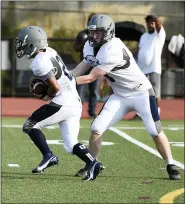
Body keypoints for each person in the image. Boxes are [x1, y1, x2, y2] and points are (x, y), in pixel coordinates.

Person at [72, 14, 181, 180]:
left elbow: (91, 77)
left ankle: (170, 164)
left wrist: (64, 83)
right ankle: (92, 163)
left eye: (98, 32)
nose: (94, 36)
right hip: (120, 95)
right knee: (96, 128)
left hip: (141, 93)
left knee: (154, 131)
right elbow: (84, 65)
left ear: (108, 32)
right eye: (92, 32)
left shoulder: (112, 48)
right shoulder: (90, 45)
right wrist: (65, 77)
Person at [14, 25, 102, 181]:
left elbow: (54, 86)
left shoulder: (38, 62)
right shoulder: (50, 51)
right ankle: (92, 162)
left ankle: (49, 156)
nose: (20, 45)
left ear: (33, 43)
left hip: (62, 102)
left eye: (23, 42)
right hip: (74, 102)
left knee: (30, 125)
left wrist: (46, 96)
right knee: (70, 145)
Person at [137, 14, 166, 117]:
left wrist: (155, 18)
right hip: (142, 70)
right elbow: (141, 50)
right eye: (148, 23)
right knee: (141, 92)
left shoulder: (159, 35)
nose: (150, 25)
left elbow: (159, 25)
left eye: (152, 23)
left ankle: (156, 113)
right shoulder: (143, 36)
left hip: (154, 69)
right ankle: (140, 114)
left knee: (155, 93)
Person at [74, 12, 99, 118]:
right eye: (91, 20)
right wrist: (85, 42)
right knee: (81, 91)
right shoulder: (82, 34)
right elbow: (75, 48)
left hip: (95, 67)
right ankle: (77, 111)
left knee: (94, 91)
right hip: (83, 67)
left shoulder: (99, 35)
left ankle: (92, 111)